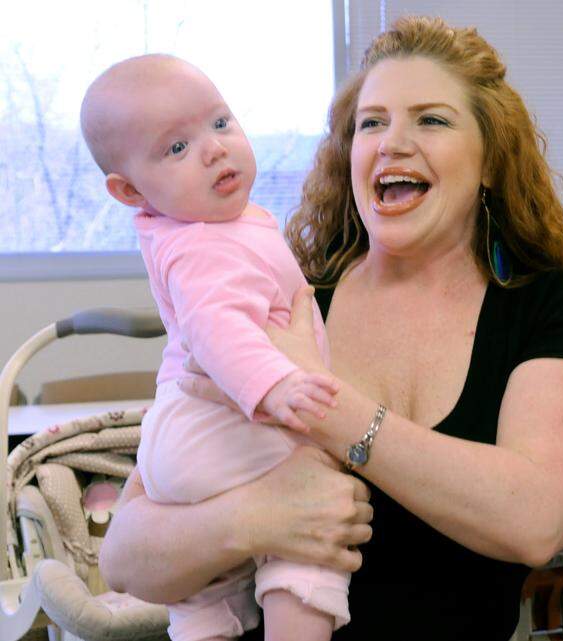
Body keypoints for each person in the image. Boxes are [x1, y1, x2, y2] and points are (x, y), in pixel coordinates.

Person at [98, 17, 563, 641]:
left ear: (490, 162)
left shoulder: (547, 309)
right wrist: (256, 518)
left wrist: (328, 407)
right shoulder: (287, 298)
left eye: (432, 119)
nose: (392, 143)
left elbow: (535, 521)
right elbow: (124, 557)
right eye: (372, 123)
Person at [81, 54, 350, 641]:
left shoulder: (207, 227)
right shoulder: (202, 245)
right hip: (224, 425)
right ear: (129, 190)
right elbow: (215, 328)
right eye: (176, 148)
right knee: (308, 537)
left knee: (204, 593)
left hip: (185, 444)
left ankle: (204, 622)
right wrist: (275, 386)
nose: (213, 149)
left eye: (221, 123)